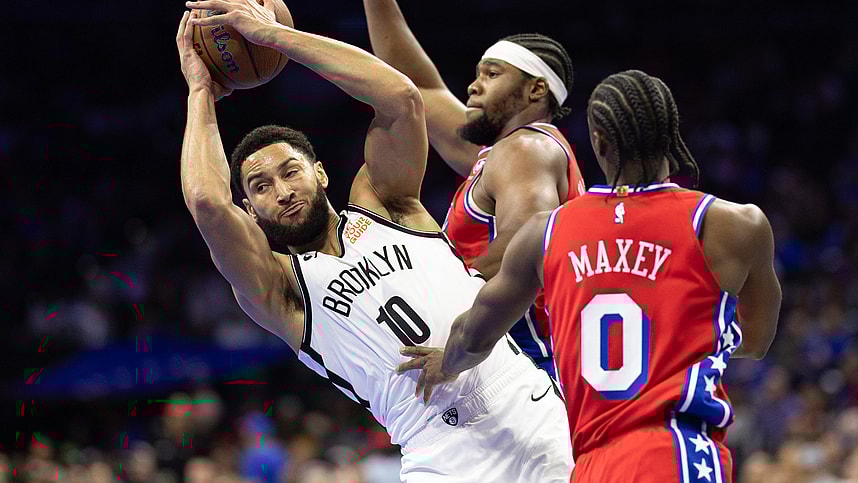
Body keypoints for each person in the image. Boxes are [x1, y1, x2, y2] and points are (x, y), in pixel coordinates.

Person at [176, 1, 571, 481]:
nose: (282, 192)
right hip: (437, 451)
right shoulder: (282, 289)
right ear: (250, 210)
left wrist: (274, 37)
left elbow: (402, 97)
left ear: (320, 173)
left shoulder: (385, 203)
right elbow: (205, 201)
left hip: (522, 402)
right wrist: (200, 89)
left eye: (290, 172)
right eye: (261, 188)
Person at [400, 70, 782, 482]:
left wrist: (445, 364)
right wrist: (671, 337)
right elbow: (756, 340)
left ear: (597, 142)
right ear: (672, 132)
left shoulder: (544, 233)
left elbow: (472, 337)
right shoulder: (733, 224)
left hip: (590, 463)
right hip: (678, 453)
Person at [363, 0, 586, 378]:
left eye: (492, 74)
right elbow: (415, 88)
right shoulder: (503, 151)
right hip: (513, 357)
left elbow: (525, 245)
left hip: (536, 364)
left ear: (536, 89)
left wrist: (436, 301)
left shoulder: (526, 150)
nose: (473, 85)